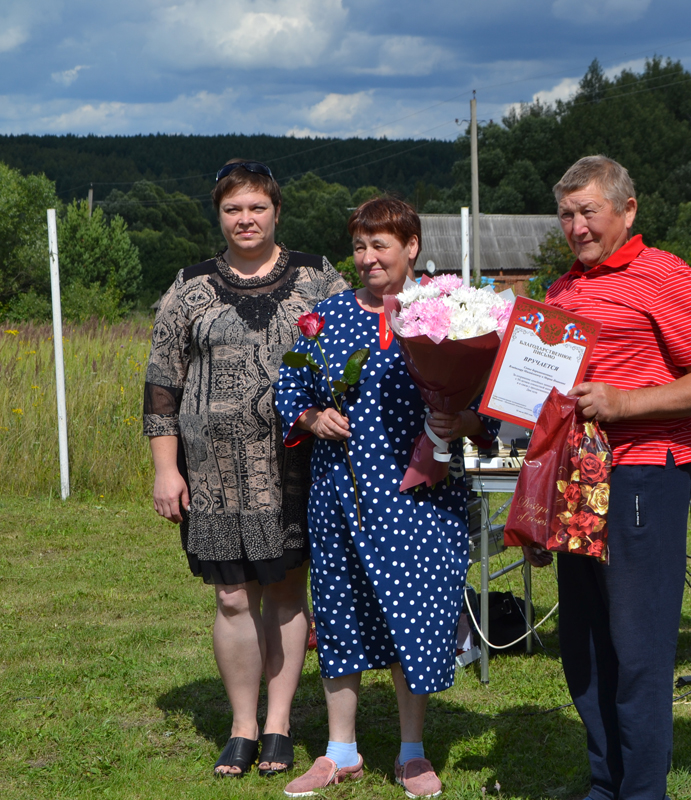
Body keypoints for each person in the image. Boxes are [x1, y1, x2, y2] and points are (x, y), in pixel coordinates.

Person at [274, 196, 499, 798]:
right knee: (341, 615)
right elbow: (288, 387)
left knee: (418, 617)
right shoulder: (324, 317)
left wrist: (466, 422)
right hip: (342, 495)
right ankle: (339, 750)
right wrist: (311, 415)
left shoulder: (449, 315)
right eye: (359, 247)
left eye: (381, 246)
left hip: (420, 498)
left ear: (412, 248)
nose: (368, 259)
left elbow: (489, 404)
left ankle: (413, 752)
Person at [524, 155, 691, 800]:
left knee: (638, 650)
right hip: (573, 480)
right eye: (567, 214)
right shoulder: (559, 291)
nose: (578, 226)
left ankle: (642, 791)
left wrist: (623, 403)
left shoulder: (664, 275)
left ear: (627, 210)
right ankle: (604, 782)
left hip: (641, 478)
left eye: (589, 211)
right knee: (584, 646)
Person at [144, 159, 349, 778]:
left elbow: (358, 347)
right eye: (234, 209)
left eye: (257, 207)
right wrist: (165, 469)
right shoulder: (190, 286)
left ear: (276, 211)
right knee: (232, 597)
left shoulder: (318, 279)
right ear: (220, 215)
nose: (246, 219)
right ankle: (242, 726)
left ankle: (281, 723)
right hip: (211, 474)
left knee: (286, 592)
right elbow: (161, 384)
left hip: (295, 466)